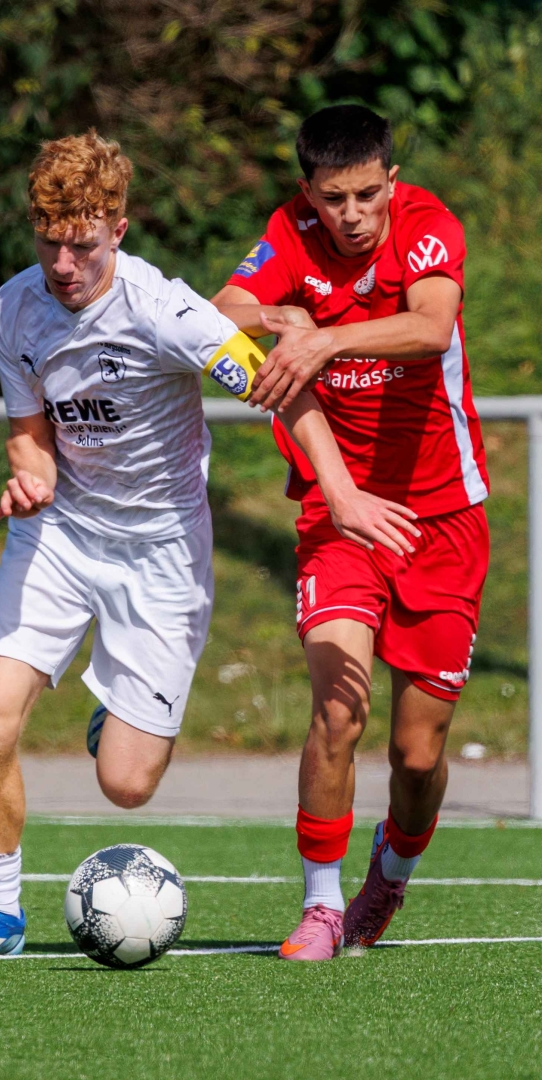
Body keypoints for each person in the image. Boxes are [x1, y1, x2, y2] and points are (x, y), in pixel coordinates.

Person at [0, 130, 414, 957]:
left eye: (82, 245)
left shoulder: (168, 313)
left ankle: (115, 716)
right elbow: (28, 435)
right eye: (48, 243)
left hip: (159, 553)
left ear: (117, 230)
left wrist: (339, 495)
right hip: (60, 534)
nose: (62, 265)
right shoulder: (12, 308)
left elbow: (282, 389)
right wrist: (29, 477)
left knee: (125, 784)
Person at [212, 104, 489, 961]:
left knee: (417, 756)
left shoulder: (427, 225)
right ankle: (321, 905)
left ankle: (389, 875)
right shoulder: (288, 234)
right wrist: (275, 321)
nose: (353, 215)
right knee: (337, 709)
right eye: (333, 199)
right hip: (338, 517)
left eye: (367, 194)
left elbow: (429, 326)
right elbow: (219, 310)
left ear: (390, 182)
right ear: (308, 193)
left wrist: (323, 339)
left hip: (442, 517)